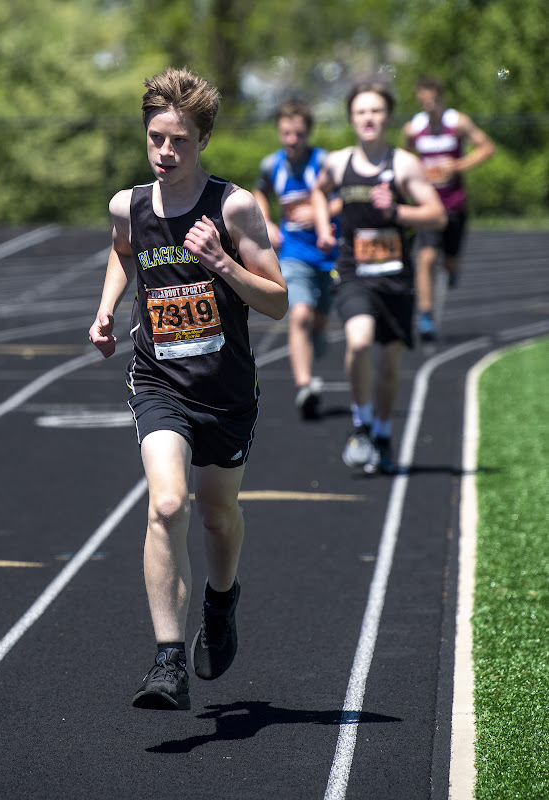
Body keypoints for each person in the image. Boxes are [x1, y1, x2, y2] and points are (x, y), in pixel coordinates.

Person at [89, 66, 288, 710]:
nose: (166, 152)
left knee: (216, 515)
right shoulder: (128, 205)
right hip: (159, 379)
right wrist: (106, 310)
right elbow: (123, 252)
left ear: (203, 139)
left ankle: (221, 603)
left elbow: (277, 302)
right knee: (168, 504)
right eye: (156, 138)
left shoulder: (234, 207)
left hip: (225, 389)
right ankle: (168, 658)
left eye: (179, 140)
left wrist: (221, 262)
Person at [312, 81, 446, 474]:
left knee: (389, 365)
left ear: (387, 116)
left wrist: (397, 212)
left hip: (395, 279)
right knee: (358, 341)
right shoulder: (338, 162)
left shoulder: (404, 164)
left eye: (375, 110)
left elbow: (437, 215)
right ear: (351, 118)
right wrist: (323, 227)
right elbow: (319, 192)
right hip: (353, 272)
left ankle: (383, 434)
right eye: (360, 111)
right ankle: (361, 424)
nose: (368, 118)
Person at [253, 99, 340, 419]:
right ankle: (305, 386)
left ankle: (318, 333)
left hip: (329, 254)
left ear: (308, 133)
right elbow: (259, 192)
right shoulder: (271, 165)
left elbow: (345, 198)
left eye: (299, 134)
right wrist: (267, 221)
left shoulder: (325, 162)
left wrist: (319, 213)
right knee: (300, 315)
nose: (292, 140)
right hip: (293, 255)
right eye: (286, 133)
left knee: (318, 319)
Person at [403, 76, 495, 341]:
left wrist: (457, 166)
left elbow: (487, 147)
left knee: (450, 261)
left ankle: (453, 269)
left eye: (433, 101)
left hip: (454, 203)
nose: (429, 106)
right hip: (427, 206)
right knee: (426, 256)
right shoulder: (413, 129)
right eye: (424, 102)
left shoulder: (458, 122)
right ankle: (425, 315)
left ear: (441, 99)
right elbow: (403, 158)